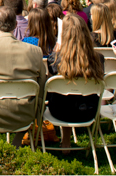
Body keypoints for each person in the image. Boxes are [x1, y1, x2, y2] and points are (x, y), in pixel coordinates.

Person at [0, 6, 47, 146]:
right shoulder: (35, 51)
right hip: (25, 114)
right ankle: (16, 144)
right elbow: (42, 86)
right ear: (15, 25)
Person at [49, 14, 105, 151]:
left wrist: (57, 51)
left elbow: (50, 87)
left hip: (59, 111)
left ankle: (66, 141)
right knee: (70, 96)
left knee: (63, 96)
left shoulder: (55, 59)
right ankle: (70, 141)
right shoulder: (98, 59)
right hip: (89, 111)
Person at [22, 6, 56, 72]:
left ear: (30, 23)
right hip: (50, 77)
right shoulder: (55, 42)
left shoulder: (25, 42)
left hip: (33, 76)